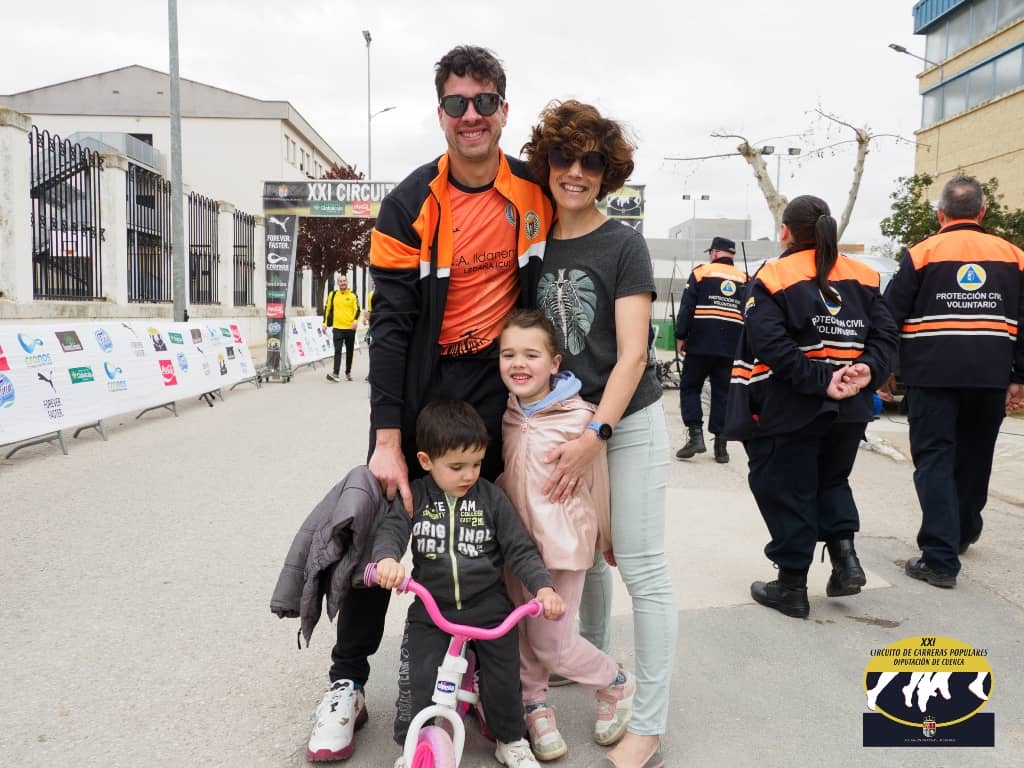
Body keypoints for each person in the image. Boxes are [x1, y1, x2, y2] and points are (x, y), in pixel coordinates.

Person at [305, 44, 553, 762]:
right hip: (422, 382)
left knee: (487, 529)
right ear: (440, 112)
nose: (470, 115)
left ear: (503, 109)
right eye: (456, 103)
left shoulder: (534, 194)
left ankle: (482, 676)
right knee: (385, 519)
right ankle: (348, 682)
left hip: (496, 385)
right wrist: (388, 437)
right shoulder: (409, 203)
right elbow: (388, 324)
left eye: (484, 102)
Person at [522, 99, 675, 768]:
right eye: (564, 157)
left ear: (607, 171)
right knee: (579, 551)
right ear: (546, 162)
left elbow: (634, 353)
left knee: (639, 565)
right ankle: (589, 659)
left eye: (591, 161)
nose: (576, 172)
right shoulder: (532, 242)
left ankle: (649, 721)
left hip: (625, 420)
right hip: (561, 423)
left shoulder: (623, 243)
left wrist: (597, 435)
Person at [724, 194, 898, 619]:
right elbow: (885, 336)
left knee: (787, 488)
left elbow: (770, 344)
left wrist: (822, 381)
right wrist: (867, 370)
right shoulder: (865, 276)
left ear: (785, 231)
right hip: (852, 407)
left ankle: (791, 586)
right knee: (832, 480)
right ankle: (845, 559)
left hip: (793, 406)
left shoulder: (773, 275)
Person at [372, 400, 565, 768]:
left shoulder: (491, 499)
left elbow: (519, 548)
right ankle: (412, 742)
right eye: (457, 467)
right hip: (433, 609)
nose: (468, 475)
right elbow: (392, 530)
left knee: (503, 679)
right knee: (418, 676)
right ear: (426, 461)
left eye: (476, 464)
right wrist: (387, 560)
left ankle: (511, 739)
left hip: (489, 608)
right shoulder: (418, 497)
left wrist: (543, 588)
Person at [497, 309, 634, 762]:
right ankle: (535, 706)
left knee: (551, 643)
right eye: (508, 354)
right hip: (517, 548)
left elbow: (599, 483)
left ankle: (615, 681)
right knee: (523, 633)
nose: (519, 363)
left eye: (531, 355)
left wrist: (606, 539)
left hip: (564, 546)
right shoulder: (508, 413)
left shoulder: (581, 418)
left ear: (554, 363)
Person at [884, 175, 1024, 589]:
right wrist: (1019, 377)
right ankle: (960, 533)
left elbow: (889, 315)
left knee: (935, 460)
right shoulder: (1014, 256)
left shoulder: (922, 253)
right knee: (975, 458)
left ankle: (940, 559)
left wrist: (885, 367)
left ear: (941, 213)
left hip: (932, 377)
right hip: (990, 376)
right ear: (982, 212)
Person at [674, 235, 748, 463]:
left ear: (715, 253)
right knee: (723, 393)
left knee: (690, 387)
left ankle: (695, 436)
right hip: (731, 348)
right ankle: (721, 447)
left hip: (700, 344)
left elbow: (687, 307)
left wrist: (680, 335)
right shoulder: (745, 278)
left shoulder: (701, 273)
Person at [322, 275, 360, 382]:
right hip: (337, 328)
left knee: (349, 351)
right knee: (337, 350)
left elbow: (357, 309)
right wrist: (324, 323)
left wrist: (355, 321)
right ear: (338, 283)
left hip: (350, 328)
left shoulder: (353, 295)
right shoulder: (333, 294)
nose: (343, 283)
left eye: (344, 281)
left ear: (347, 282)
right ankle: (336, 373)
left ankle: (348, 372)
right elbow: (327, 309)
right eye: (340, 281)